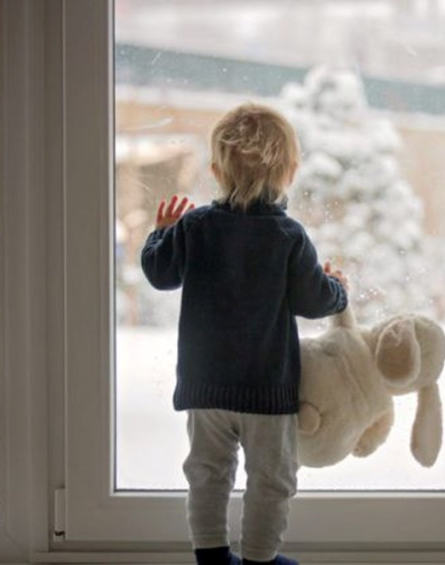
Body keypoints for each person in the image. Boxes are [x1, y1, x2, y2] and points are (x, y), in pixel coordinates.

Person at [141, 103, 348, 565]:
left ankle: (211, 555)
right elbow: (314, 301)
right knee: (271, 478)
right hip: (266, 389)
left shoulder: (195, 227)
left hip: (205, 387)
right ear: (290, 172)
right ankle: (259, 558)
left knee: (207, 472)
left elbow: (160, 274)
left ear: (216, 170)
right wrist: (339, 290)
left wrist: (161, 233)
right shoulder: (288, 237)